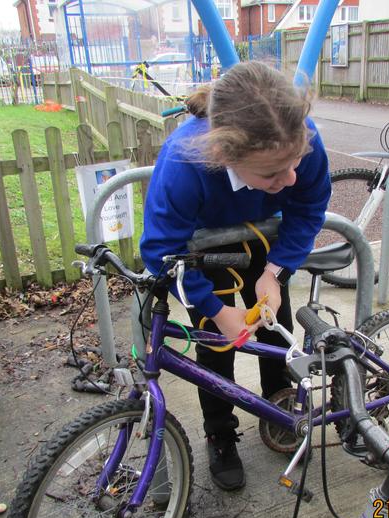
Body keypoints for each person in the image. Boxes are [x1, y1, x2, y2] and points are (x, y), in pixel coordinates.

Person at [140, 61, 331, 491]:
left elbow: (309, 204)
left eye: (295, 162)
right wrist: (211, 306)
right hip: (204, 254)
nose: (291, 178)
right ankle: (221, 434)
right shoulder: (185, 162)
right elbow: (161, 249)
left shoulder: (299, 134)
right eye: (272, 173)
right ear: (226, 156)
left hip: (267, 244)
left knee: (272, 329)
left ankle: (278, 410)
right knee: (216, 345)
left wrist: (277, 269)